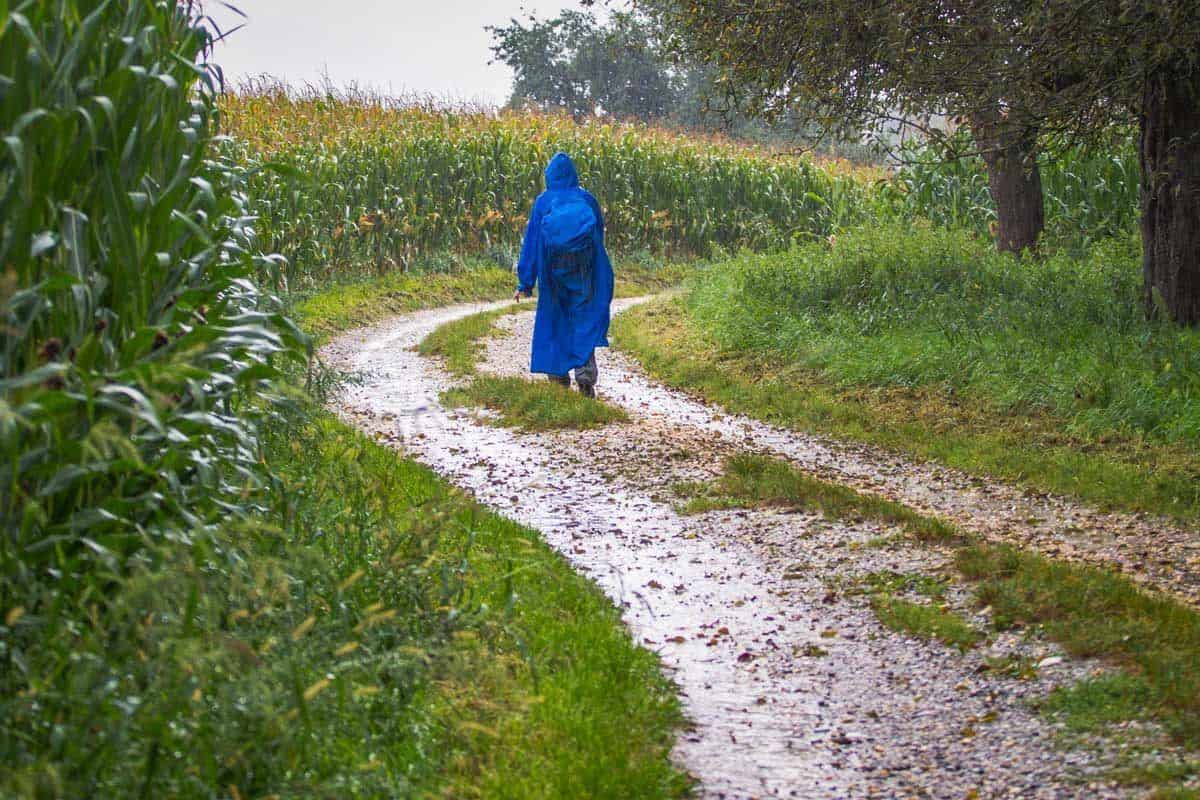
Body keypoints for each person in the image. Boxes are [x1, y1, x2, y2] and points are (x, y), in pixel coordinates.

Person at [513, 152, 614, 398]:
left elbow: (533, 242)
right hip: (584, 273)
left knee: (555, 321)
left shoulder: (544, 202)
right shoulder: (587, 200)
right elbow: (598, 238)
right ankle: (586, 379)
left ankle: (558, 380)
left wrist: (525, 282)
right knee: (584, 320)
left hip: (552, 273)